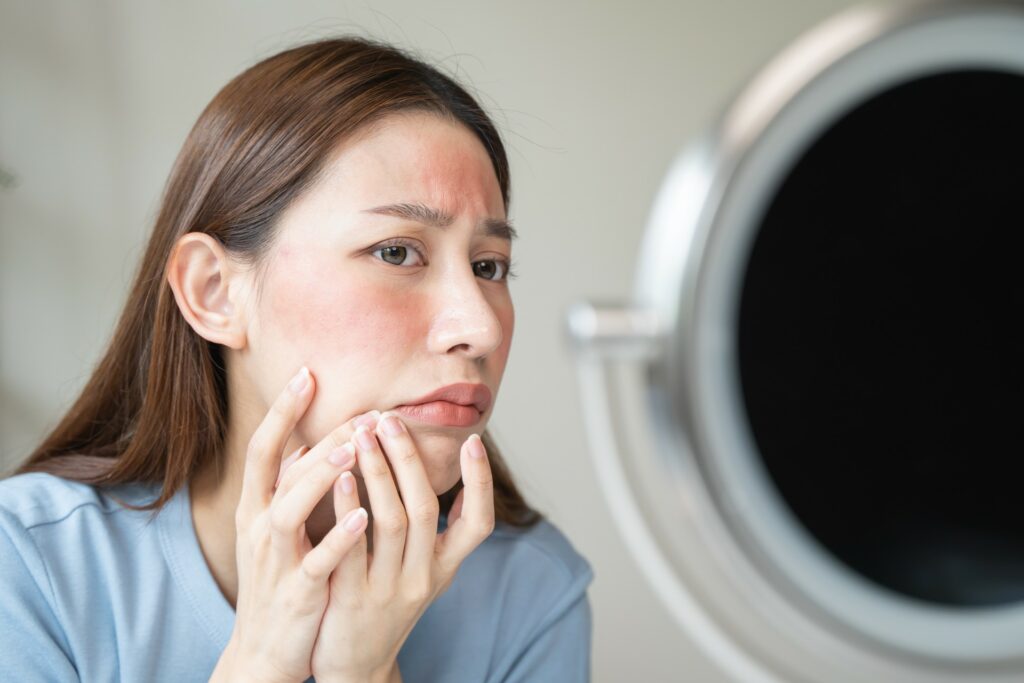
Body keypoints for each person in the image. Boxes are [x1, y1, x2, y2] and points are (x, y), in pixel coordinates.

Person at [0, 37, 593, 682]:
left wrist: (363, 674)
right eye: (396, 252)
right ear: (214, 292)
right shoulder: (28, 565)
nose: (478, 327)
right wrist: (259, 664)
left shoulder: (531, 593)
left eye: (488, 266)